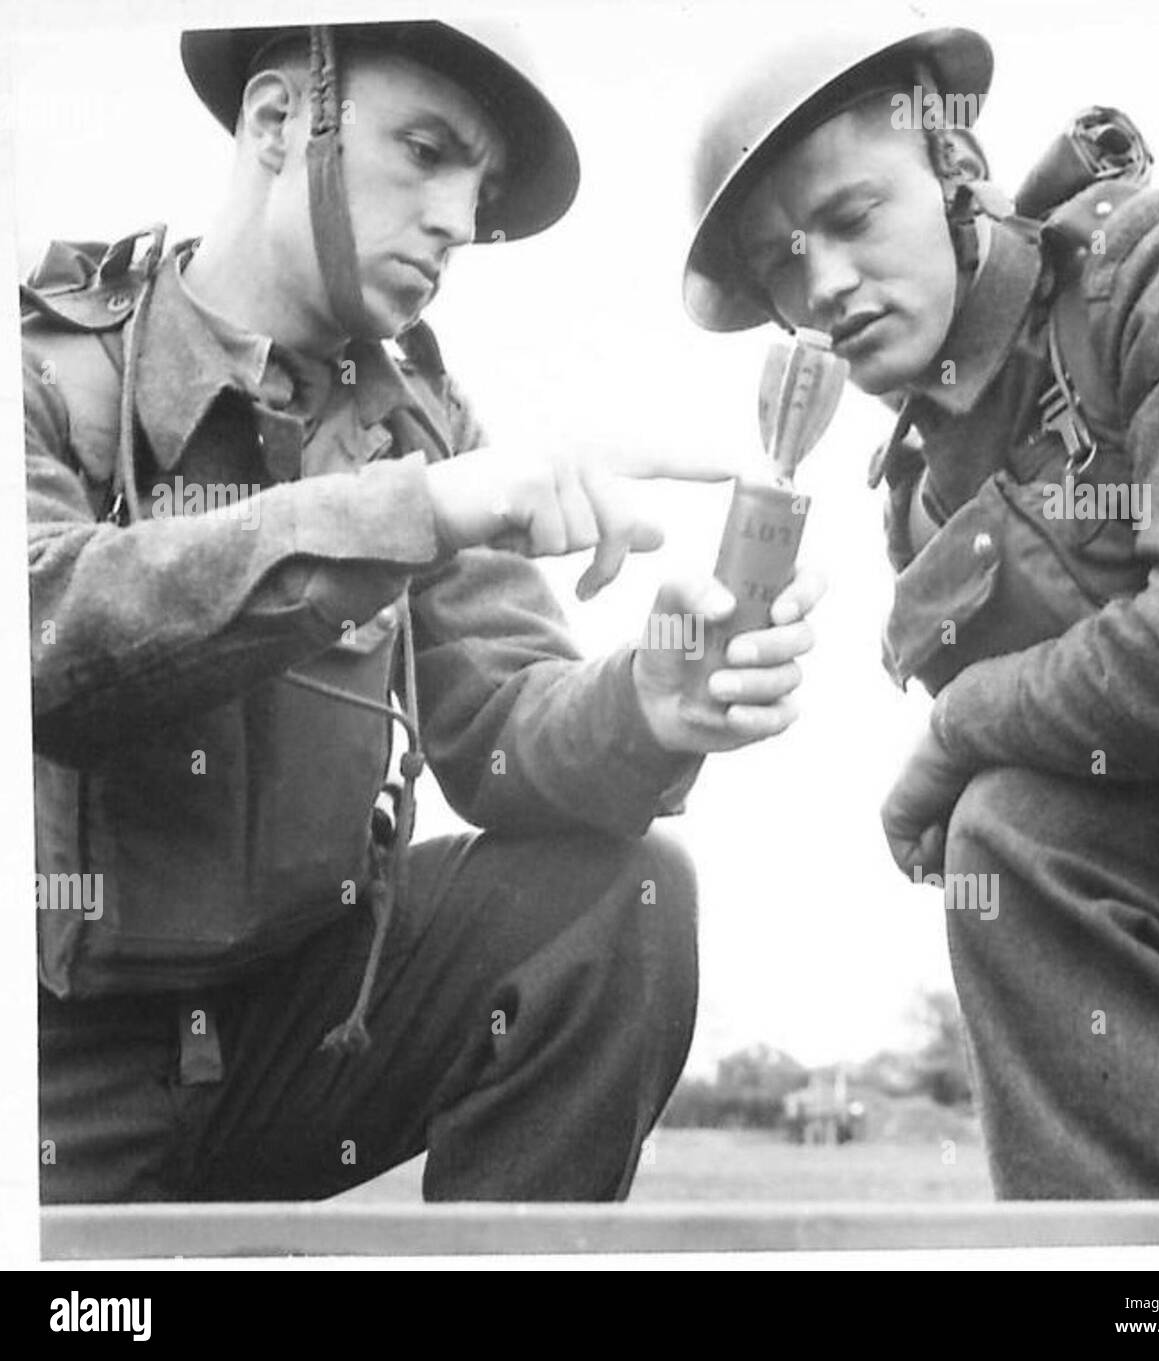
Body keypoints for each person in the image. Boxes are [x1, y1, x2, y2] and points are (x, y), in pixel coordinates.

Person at [27, 19, 821, 1203]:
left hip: (301, 1034)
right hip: (50, 1068)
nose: (458, 215)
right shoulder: (45, 367)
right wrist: (414, 510)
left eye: (482, 186)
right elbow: (48, 639)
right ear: (277, 120)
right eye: (425, 150)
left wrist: (649, 701)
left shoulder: (419, 421)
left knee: (628, 895)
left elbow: (503, 725)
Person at [683, 23, 1159, 1198]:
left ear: (954, 168)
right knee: (1016, 834)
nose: (824, 286)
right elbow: (1061, 770)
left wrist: (950, 735)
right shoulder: (922, 493)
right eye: (781, 267)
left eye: (850, 219)